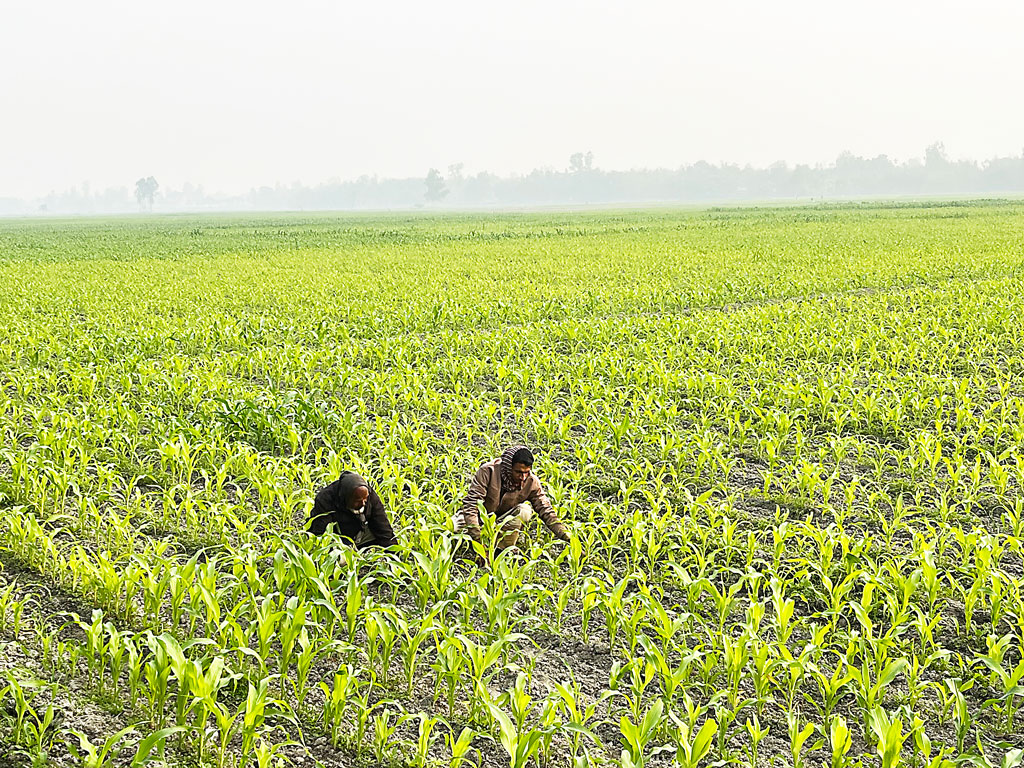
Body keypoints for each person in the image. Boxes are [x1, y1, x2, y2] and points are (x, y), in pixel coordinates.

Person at [455, 445, 570, 562]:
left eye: (526, 472)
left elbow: (547, 511)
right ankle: (475, 542)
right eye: (518, 472)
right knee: (453, 528)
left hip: (503, 521)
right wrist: (479, 542)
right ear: (508, 467)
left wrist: (569, 538)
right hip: (479, 518)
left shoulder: (531, 482)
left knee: (524, 510)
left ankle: (502, 547)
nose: (523, 477)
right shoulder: (488, 471)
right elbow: (471, 505)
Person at [308, 470, 398, 549]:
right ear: (346, 497)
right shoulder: (326, 499)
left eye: (365, 499)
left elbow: (382, 526)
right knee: (340, 560)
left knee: (383, 535)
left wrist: (395, 557)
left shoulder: (369, 495)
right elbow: (320, 533)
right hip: (337, 539)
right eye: (358, 500)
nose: (363, 503)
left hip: (358, 533)